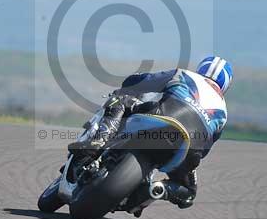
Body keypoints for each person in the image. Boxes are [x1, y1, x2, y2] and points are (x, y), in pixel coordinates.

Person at [68, 56, 232, 209]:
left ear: (201, 69)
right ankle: (157, 189)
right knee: (188, 191)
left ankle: (98, 143)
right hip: (189, 147)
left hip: (162, 117)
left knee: (120, 100)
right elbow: (205, 150)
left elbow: (145, 82)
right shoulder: (223, 112)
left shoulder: (184, 74)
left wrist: (131, 82)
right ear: (225, 85)